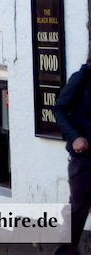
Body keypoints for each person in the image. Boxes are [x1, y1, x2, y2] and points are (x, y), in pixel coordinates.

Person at [54, 60, 91, 254]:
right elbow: (59, 109)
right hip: (84, 162)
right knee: (76, 214)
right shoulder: (82, 78)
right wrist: (75, 136)